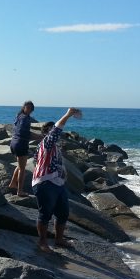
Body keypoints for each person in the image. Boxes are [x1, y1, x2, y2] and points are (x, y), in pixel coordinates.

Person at [32, 107, 82, 253]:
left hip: (57, 184)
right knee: (45, 214)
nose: (54, 131)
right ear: (46, 132)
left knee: (63, 213)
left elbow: (37, 160)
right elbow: (57, 129)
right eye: (51, 129)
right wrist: (68, 114)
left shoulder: (52, 147)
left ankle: (59, 239)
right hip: (45, 183)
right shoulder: (47, 142)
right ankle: (42, 242)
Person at [8, 101, 35, 197]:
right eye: (27, 107)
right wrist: (41, 137)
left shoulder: (18, 116)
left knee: (20, 165)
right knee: (22, 169)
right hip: (20, 144)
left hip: (14, 143)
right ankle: (20, 191)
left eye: (30, 108)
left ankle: (12, 183)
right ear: (23, 107)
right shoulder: (25, 118)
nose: (29, 109)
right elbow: (25, 133)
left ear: (32, 110)